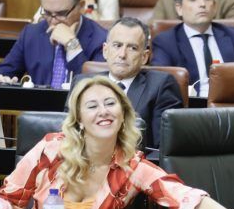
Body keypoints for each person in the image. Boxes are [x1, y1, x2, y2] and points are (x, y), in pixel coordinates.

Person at [0, 76, 234, 209]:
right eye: (92, 106)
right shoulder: (51, 148)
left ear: (122, 115)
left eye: (110, 104)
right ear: (79, 119)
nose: (103, 111)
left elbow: (184, 196)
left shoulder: (132, 166)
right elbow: (8, 198)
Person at [69, 17, 183, 149]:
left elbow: (163, 148)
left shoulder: (161, 86)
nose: (122, 54)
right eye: (117, 45)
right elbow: (68, 134)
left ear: (144, 57)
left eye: (132, 48)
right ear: (105, 50)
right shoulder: (82, 83)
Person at [0, 0, 107, 87]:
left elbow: (96, 90)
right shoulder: (31, 34)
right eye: (47, 13)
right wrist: (0, 79)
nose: (53, 21)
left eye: (61, 13)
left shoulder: (101, 40)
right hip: (37, 105)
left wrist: (72, 45)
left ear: (81, 6)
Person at [151, 0, 234, 97]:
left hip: (231, 107)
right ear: (179, 9)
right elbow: (162, 87)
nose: (202, 4)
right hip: (190, 110)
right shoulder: (165, 42)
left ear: (215, 6)